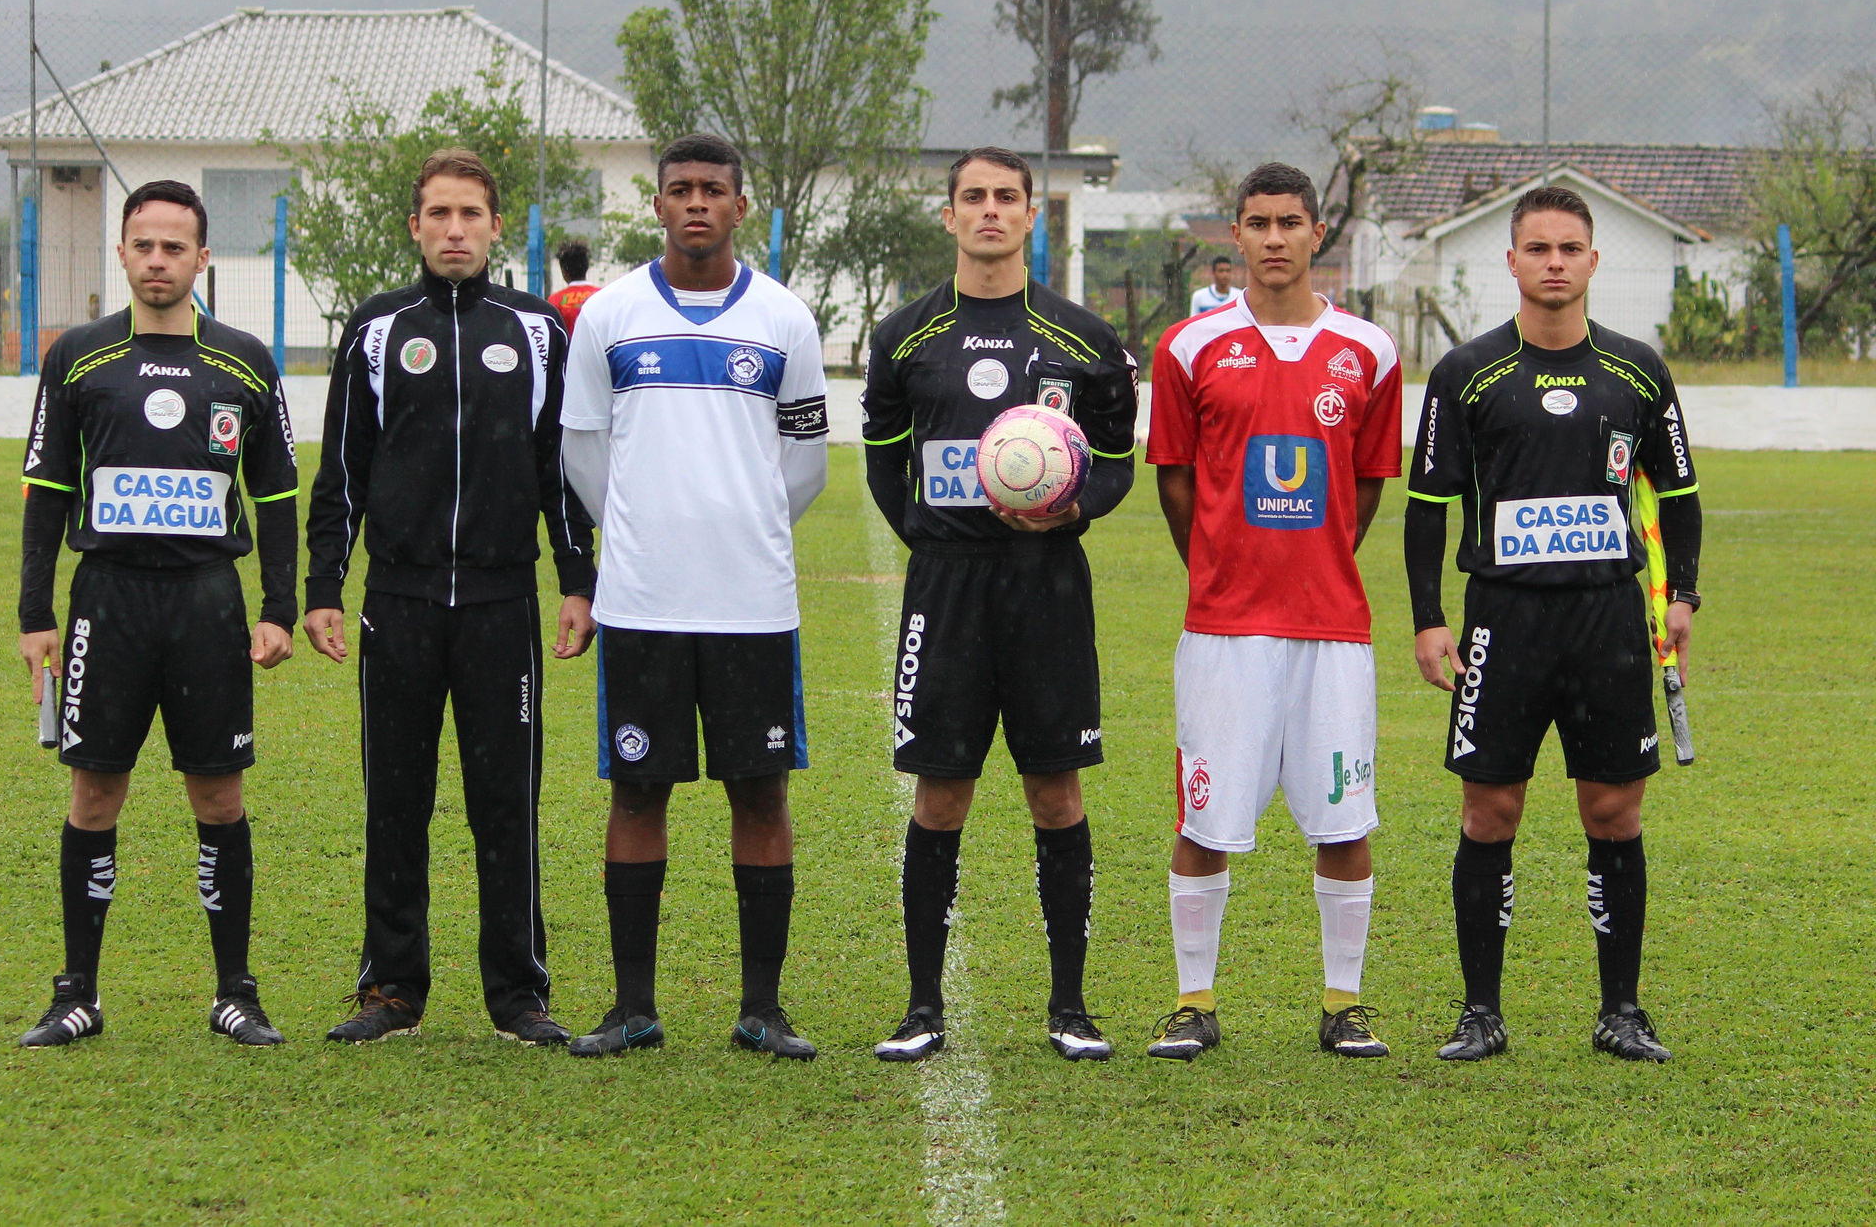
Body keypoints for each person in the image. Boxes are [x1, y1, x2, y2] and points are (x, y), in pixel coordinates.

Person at [304, 148, 596, 1046]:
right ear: (416, 227)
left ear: (497, 226)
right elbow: (342, 470)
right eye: (439, 214)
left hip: (503, 607)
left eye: (472, 214)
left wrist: (576, 580)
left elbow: (563, 471)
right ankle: (392, 987)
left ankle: (518, 993)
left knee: (506, 799)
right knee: (395, 796)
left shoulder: (540, 329)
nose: (455, 230)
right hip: (399, 601)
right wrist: (323, 586)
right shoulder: (378, 327)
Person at [1407, 184, 1700, 1064]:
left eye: (1570, 248)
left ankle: (1622, 1009)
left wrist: (1681, 594)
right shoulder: (1466, 373)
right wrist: (1429, 618)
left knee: (1613, 809)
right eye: (1538, 249)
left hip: (1607, 618)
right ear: (1513, 262)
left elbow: (1680, 495)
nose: (1555, 263)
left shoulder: (1639, 370)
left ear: (1593, 260)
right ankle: (1480, 1013)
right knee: (1490, 809)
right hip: (1504, 619)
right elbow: (1428, 508)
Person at [862, 146, 1139, 1062]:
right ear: (948, 215)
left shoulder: (1084, 339)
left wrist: (1070, 509)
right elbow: (880, 453)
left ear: (1031, 217)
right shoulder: (903, 334)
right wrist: (925, 533)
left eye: (1006, 198)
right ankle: (921, 1005)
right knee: (941, 792)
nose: (989, 211)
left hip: (1047, 586)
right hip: (946, 588)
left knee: (1054, 790)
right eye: (972, 197)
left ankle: (1070, 1006)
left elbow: (1116, 459)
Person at [559, 133, 829, 1060]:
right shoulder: (610, 316)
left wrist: (738, 522)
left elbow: (804, 465)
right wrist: (644, 534)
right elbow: (586, 456)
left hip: (753, 603)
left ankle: (762, 1007)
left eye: (714, 189)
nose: (697, 204)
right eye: (680, 190)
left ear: (741, 206)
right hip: (643, 603)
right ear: (660, 204)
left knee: (760, 793)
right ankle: (633, 1006)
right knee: (638, 791)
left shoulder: (785, 319)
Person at [15, 179, 298, 1048]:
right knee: (94, 790)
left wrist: (279, 605)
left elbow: (279, 490)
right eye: (144, 245)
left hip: (209, 602)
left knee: (218, 794)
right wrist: (34, 611)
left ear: (202, 258)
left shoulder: (246, 359)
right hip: (108, 599)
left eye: (177, 246)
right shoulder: (80, 357)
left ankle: (235, 993)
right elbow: (47, 484)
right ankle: (77, 994)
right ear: (124, 252)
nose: (159, 260)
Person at [1144, 162, 1403, 1062]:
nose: (1275, 237)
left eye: (1291, 221)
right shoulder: (1188, 347)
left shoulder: (1369, 350)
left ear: (1317, 232)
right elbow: (1176, 481)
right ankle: (1193, 1001)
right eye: (1257, 222)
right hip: (1222, 629)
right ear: (1236, 235)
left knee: (1345, 818)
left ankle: (1345, 1004)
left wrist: (1314, 561)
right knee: (1204, 818)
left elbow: (1365, 487)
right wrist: (1218, 566)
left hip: (1332, 628)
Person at [548, 240, 602, 339]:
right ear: (587, 267)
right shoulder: (602, 295)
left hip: (569, 353)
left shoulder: (555, 300)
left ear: (563, 271)